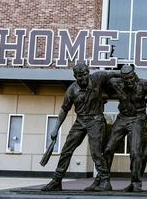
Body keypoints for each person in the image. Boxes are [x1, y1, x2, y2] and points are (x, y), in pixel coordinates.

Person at [42, 62, 120, 192]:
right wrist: (55, 128)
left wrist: (127, 73)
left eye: (84, 74)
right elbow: (64, 109)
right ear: (75, 76)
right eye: (79, 76)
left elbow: (112, 74)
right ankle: (56, 180)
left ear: (88, 73)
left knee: (95, 152)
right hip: (80, 121)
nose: (83, 78)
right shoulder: (71, 90)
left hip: (95, 119)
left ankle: (105, 181)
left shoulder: (98, 78)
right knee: (67, 149)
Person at [102, 64, 147, 192]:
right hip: (122, 118)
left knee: (135, 152)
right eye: (126, 79)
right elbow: (101, 80)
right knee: (108, 149)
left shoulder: (144, 84)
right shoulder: (116, 83)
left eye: (131, 77)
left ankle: (135, 183)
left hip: (137, 118)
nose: (129, 81)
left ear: (135, 75)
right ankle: (104, 180)